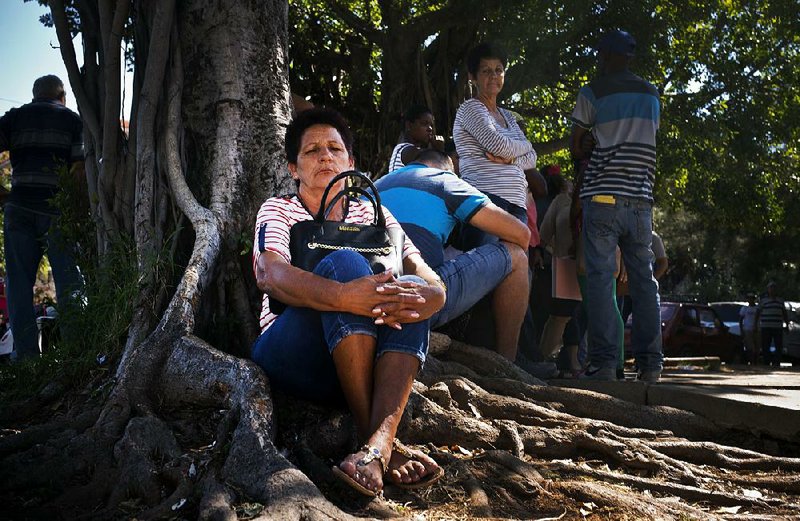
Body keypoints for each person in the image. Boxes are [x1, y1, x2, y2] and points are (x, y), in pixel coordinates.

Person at [251, 108, 445, 497]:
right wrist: (345, 295)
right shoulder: (279, 209)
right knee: (345, 262)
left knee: (408, 287)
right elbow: (269, 274)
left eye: (334, 148)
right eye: (312, 151)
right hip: (295, 350)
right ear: (293, 168)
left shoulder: (375, 214)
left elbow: (430, 280)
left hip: (368, 356)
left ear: (350, 162)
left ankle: (378, 445)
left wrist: (425, 296)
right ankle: (372, 436)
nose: (325, 156)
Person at [569, 30, 663, 382]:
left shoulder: (592, 91)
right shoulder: (651, 93)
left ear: (606, 57)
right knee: (644, 282)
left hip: (603, 196)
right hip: (640, 200)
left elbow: (577, 146)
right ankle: (651, 365)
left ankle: (606, 364)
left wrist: (592, 140)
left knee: (600, 280)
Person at [375, 149, 530, 361]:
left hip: (372, 300)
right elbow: (521, 234)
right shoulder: (444, 181)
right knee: (517, 256)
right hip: (419, 300)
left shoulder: (376, 185)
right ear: (448, 166)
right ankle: (508, 363)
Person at [0, 75, 84, 361]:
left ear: (34, 95)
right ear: (63, 96)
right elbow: (79, 170)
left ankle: (25, 358)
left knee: (18, 283)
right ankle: (75, 352)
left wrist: (2, 193)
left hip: (19, 206)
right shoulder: (71, 120)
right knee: (69, 281)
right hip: (57, 211)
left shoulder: (15, 117)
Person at [453, 42, 538, 231]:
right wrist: (525, 145)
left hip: (517, 203)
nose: (493, 76)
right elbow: (499, 147)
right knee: (491, 258)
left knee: (516, 259)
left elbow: (532, 158)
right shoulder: (471, 108)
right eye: (486, 71)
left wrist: (512, 161)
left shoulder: (508, 116)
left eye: (498, 70)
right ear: (472, 77)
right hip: (486, 200)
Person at [388, 105, 443, 173]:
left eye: (431, 125)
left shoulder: (406, 149)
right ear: (409, 125)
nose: (430, 129)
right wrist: (439, 150)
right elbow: (439, 171)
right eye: (424, 124)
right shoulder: (409, 151)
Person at [755, 281, 788, 367]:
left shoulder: (781, 301)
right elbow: (757, 312)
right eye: (771, 288)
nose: (773, 290)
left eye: (774, 288)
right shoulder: (763, 301)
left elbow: (784, 313)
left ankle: (776, 362)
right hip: (766, 326)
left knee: (778, 345)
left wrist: (787, 324)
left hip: (777, 326)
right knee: (765, 345)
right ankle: (767, 361)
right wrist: (756, 324)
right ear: (768, 290)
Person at [739, 294, 759, 365]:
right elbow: (741, 320)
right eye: (749, 298)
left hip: (756, 329)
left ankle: (756, 362)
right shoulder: (744, 308)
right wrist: (741, 330)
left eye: (752, 298)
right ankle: (751, 361)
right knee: (749, 347)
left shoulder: (757, 308)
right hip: (747, 329)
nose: (750, 300)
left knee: (757, 347)